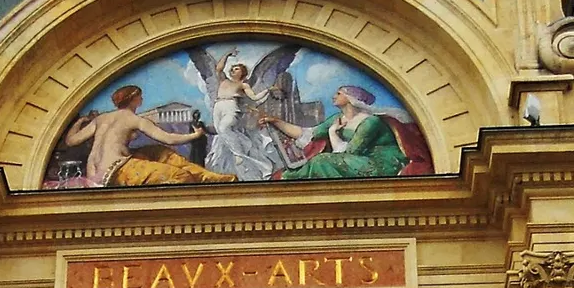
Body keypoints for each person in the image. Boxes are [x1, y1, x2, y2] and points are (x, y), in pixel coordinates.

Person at [61, 86, 237, 188]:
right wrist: (194, 135)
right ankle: (205, 181)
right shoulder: (133, 119)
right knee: (181, 177)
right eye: (139, 97)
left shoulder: (101, 118)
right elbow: (168, 138)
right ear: (134, 100)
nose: (142, 99)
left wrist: (80, 121)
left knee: (159, 152)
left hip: (95, 172)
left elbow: (71, 140)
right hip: (117, 171)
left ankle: (211, 177)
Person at [263, 84, 408, 180]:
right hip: (351, 161)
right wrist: (275, 121)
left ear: (352, 99)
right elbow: (307, 134)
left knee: (321, 161)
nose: (334, 96)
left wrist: (333, 133)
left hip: (379, 165)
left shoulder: (370, 122)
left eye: (338, 93)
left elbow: (351, 152)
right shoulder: (337, 118)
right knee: (299, 170)